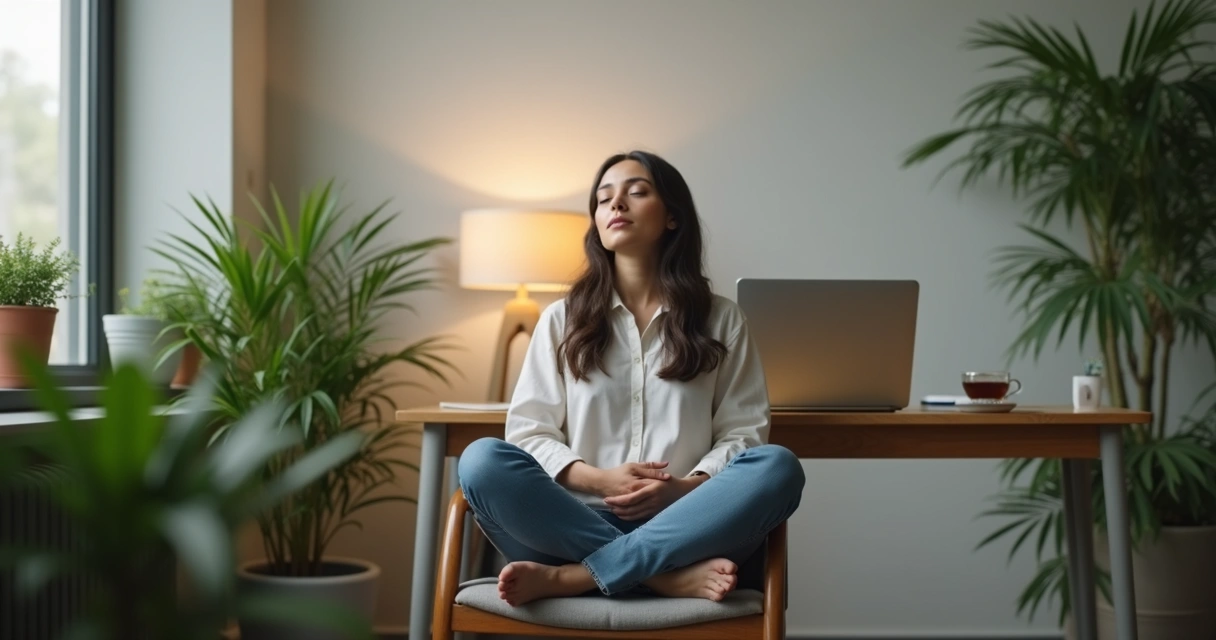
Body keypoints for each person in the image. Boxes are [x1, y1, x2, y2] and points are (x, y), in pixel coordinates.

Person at [458, 150, 805, 607]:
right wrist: (598, 481)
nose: (616, 205)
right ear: (597, 223)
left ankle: (578, 577)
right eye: (603, 200)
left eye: (636, 192)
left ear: (673, 218)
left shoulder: (723, 319)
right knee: (481, 460)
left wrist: (683, 488)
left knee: (778, 466)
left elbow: (743, 433)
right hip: (566, 525)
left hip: (690, 525)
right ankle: (661, 578)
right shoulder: (561, 320)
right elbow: (529, 432)